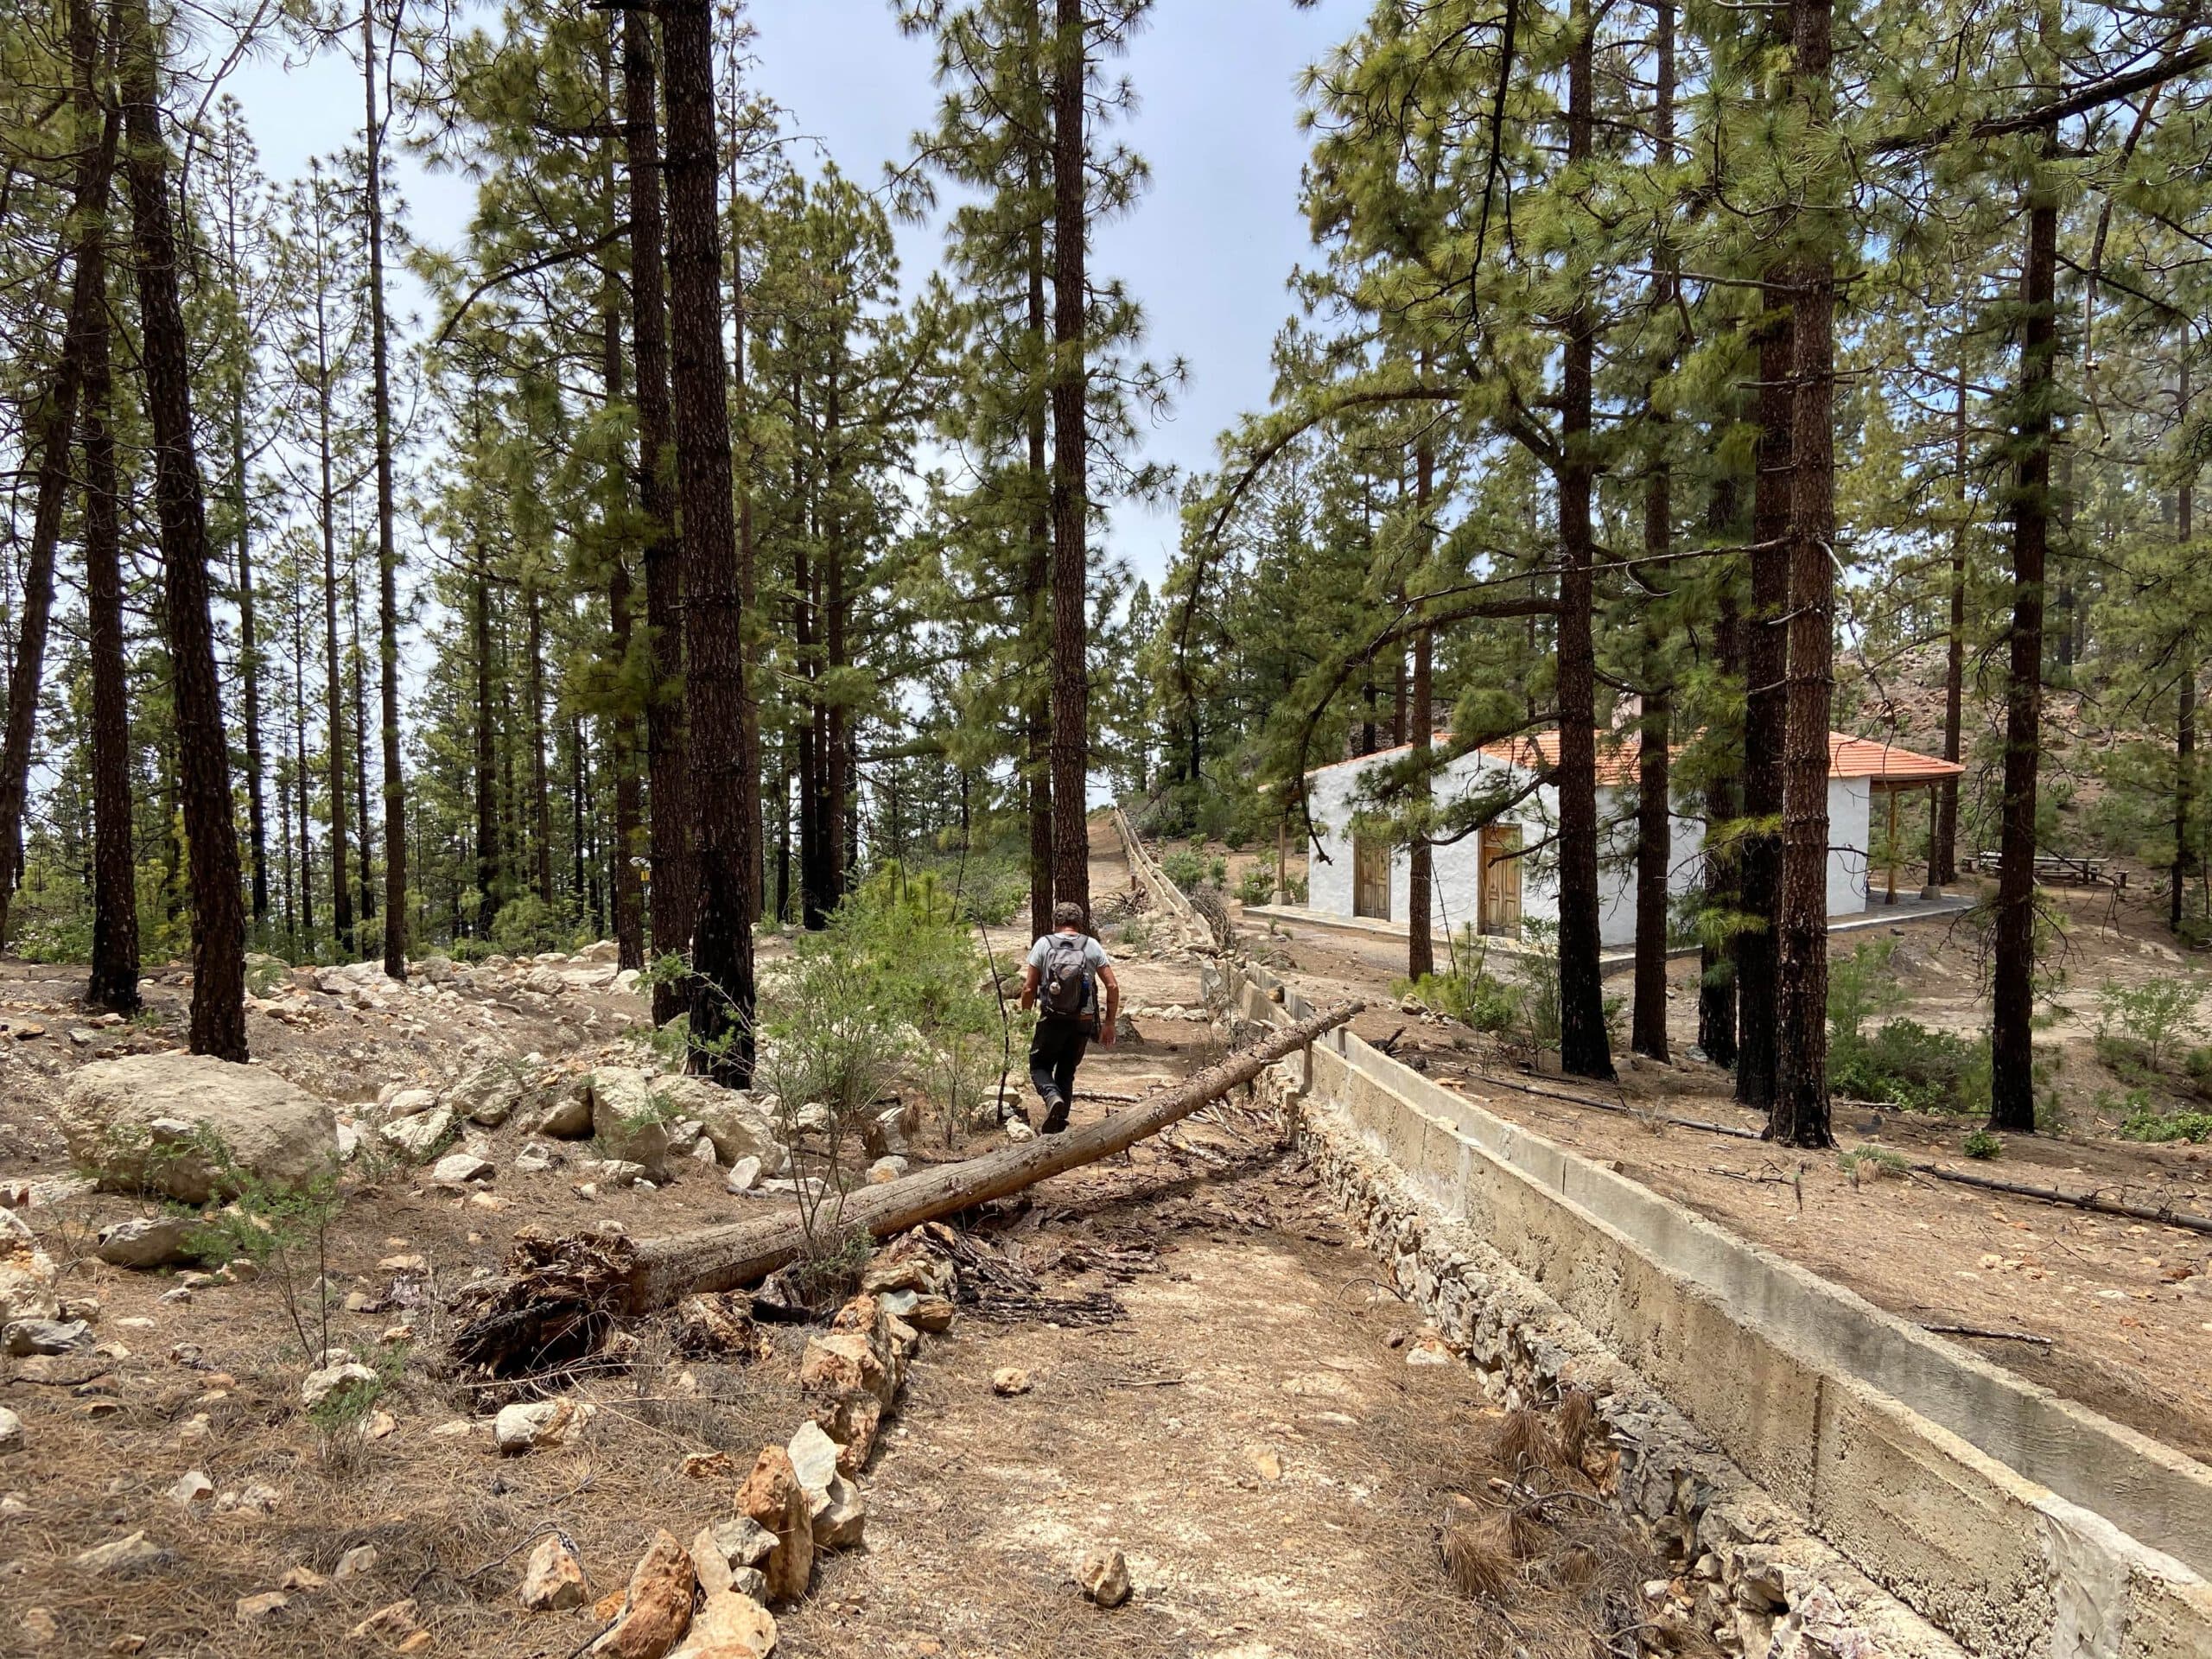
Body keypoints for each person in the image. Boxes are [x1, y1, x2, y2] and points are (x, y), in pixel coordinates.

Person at [1015, 899, 1120, 1135]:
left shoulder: (1043, 944)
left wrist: (1025, 1016)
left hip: (1052, 1018)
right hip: (1082, 1019)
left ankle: (1052, 1098)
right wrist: (1109, 1023)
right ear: (1080, 923)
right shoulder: (1092, 946)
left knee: (1039, 1066)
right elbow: (1112, 986)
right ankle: (1058, 1126)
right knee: (1066, 1071)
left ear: (1055, 923)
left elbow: (1029, 988)